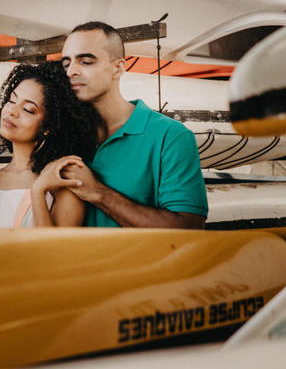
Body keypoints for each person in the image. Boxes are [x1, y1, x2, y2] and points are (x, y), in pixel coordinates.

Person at [51, 21, 208, 228]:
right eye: (66, 64)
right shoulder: (61, 135)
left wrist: (97, 192)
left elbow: (187, 227)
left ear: (118, 68)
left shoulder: (170, 136)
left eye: (86, 61)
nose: (71, 71)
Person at [0, 61, 98, 228]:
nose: (12, 111)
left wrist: (38, 192)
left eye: (28, 109)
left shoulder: (64, 190)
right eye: (12, 100)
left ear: (48, 126)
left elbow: (55, 252)